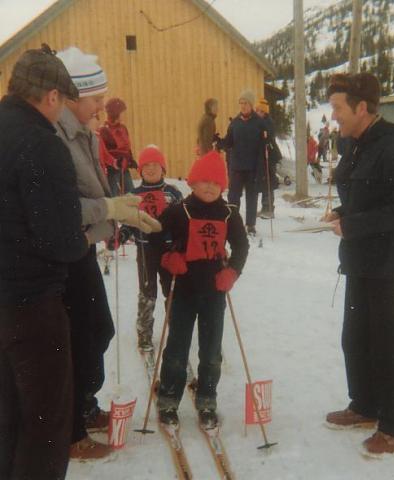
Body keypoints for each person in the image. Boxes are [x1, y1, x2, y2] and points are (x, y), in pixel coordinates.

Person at [56, 46, 161, 459]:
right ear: (71, 95)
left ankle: (83, 404)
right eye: (96, 99)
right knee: (80, 334)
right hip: (64, 251)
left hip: (82, 245)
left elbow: (93, 190)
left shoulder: (82, 132)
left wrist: (121, 211)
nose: (103, 107)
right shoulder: (54, 136)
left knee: (98, 328)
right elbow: (61, 206)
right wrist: (111, 211)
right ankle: (70, 427)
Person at [323, 72, 394, 456]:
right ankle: (364, 405)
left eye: (337, 108)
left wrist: (353, 223)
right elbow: (366, 197)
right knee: (356, 337)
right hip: (360, 258)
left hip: (389, 260)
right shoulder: (357, 144)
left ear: (361, 108)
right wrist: (340, 211)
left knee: (388, 343)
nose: (334, 116)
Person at [0, 45, 88, 480]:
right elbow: (62, 239)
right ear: (51, 96)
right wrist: (89, 234)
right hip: (31, 305)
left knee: (8, 421)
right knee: (44, 428)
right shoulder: (42, 145)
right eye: (62, 102)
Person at [156, 150, 249, 427]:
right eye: (203, 181)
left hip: (214, 292)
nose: (209, 187)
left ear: (223, 185)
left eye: (216, 182)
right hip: (183, 290)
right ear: (192, 182)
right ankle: (168, 398)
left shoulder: (229, 213)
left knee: (211, 351)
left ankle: (207, 397)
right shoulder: (178, 211)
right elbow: (158, 239)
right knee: (177, 348)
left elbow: (242, 246)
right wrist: (168, 258)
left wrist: (232, 271)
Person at [110, 145, 183, 352]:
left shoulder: (172, 193)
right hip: (145, 250)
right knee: (147, 292)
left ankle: (176, 330)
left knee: (172, 291)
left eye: (155, 165)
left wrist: (182, 244)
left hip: (169, 250)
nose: (150, 169)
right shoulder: (134, 195)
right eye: (146, 165)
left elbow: (183, 222)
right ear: (140, 169)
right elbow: (129, 223)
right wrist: (120, 236)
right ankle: (144, 333)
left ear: (163, 168)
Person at [223, 90, 266, 236]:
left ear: (251, 104)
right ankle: (233, 224)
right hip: (236, 167)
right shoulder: (234, 123)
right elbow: (228, 142)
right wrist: (219, 142)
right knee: (233, 197)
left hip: (253, 167)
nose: (243, 106)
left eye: (245, 103)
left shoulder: (259, 123)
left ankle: (250, 225)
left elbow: (264, 144)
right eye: (241, 103)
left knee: (252, 197)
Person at [99, 97, 137, 195]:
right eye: (122, 112)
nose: (124, 115)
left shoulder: (123, 128)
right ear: (115, 113)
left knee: (131, 193)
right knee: (114, 196)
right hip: (113, 170)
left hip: (124, 168)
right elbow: (105, 152)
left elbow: (127, 147)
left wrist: (130, 159)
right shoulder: (104, 130)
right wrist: (115, 162)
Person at [255, 97, 281, 219]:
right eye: (256, 110)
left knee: (268, 181)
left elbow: (268, 137)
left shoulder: (267, 122)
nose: (257, 112)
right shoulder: (261, 121)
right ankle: (265, 207)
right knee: (265, 181)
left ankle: (269, 209)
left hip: (269, 155)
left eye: (259, 110)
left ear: (264, 111)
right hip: (263, 155)